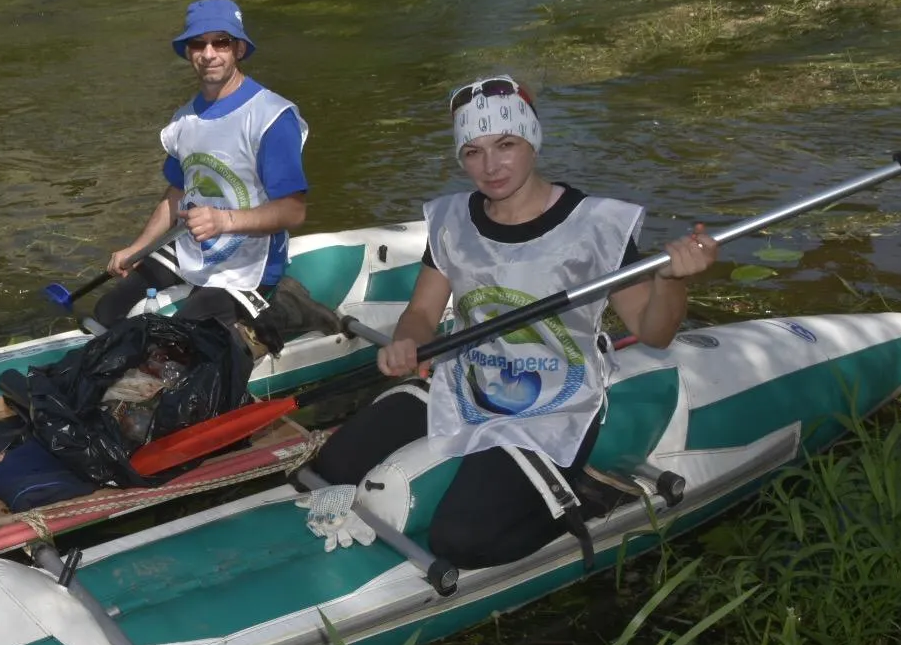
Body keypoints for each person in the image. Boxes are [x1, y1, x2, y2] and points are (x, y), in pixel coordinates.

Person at [308, 74, 720, 568]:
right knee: (334, 467)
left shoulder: (595, 226)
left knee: (461, 541)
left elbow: (655, 332)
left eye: (506, 144)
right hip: (465, 383)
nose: (490, 165)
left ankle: (583, 498)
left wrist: (673, 280)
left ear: (532, 141)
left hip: (554, 406)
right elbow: (420, 313)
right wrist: (407, 343)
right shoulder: (451, 220)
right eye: (472, 152)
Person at [94, 0, 310, 340]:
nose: (209, 53)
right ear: (188, 52)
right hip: (192, 250)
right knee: (106, 312)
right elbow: (178, 194)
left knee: (179, 339)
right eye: (198, 43)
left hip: (249, 266)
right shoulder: (184, 119)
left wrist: (223, 221)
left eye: (220, 42)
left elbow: (294, 211)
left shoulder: (271, 117)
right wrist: (137, 249)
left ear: (239, 49)